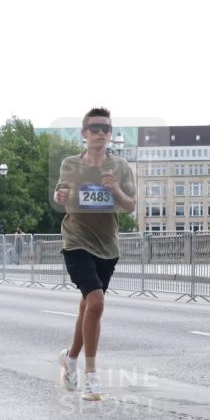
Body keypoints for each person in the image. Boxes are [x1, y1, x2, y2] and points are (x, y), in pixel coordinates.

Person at [53, 107, 136, 401]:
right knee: (96, 302)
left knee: (87, 306)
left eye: (106, 129)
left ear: (110, 134)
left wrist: (115, 190)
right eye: (95, 128)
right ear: (84, 133)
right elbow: (61, 195)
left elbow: (129, 206)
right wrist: (59, 196)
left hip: (107, 246)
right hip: (76, 240)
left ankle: (70, 358)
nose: (100, 133)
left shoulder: (121, 167)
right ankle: (91, 376)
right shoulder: (71, 164)